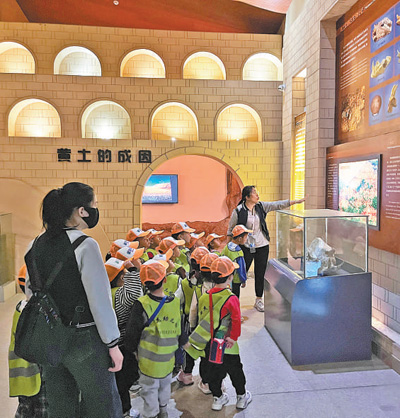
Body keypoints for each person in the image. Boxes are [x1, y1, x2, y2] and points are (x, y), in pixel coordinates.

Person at [24, 182, 123, 418]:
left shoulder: (34, 245)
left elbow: (31, 292)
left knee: (61, 406)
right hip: (84, 338)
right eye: (94, 204)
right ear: (81, 211)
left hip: (50, 338)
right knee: (103, 405)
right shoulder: (85, 245)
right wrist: (113, 344)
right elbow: (100, 302)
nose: (96, 209)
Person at [185, 256, 251, 411]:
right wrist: (233, 338)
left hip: (210, 344)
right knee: (235, 370)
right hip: (227, 344)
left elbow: (201, 319)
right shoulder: (231, 298)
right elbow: (236, 320)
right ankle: (241, 397)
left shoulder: (204, 297)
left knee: (214, 372)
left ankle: (217, 398)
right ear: (230, 277)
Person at [227, 185, 306, 312]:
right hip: (245, 247)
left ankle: (258, 300)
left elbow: (277, 205)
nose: (257, 195)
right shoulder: (238, 211)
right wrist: (229, 249)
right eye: (254, 193)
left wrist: (295, 201)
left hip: (262, 246)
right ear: (247, 197)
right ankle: (234, 305)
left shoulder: (261, 206)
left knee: (260, 273)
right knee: (238, 275)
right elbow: (230, 230)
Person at [125, 260, 184, 418]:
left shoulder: (141, 304)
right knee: (165, 386)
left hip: (148, 361)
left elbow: (131, 334)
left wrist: (133, 351)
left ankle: (151, 414)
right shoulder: (175, 302)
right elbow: (179, 331)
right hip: (168, 359)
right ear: (164, 280)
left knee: (150, 389)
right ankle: (163, 411)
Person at [106, 249, 144, 418]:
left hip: (107, 343)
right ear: (121, 278)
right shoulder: (121, 295)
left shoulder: (103, 293)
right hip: (121, 344)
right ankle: (124, 412)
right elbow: (136, 290)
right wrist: (134, 270)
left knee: (115, 380)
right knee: (123, 381)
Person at [221, 225, 250, 300]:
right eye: (245, 237)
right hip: (236, 279)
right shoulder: (238, 252)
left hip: (226, 278)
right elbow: (241, 268)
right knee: (235, 297)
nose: (246, 239)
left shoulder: (226, 247)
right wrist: (243, 280)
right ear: (240, 238)